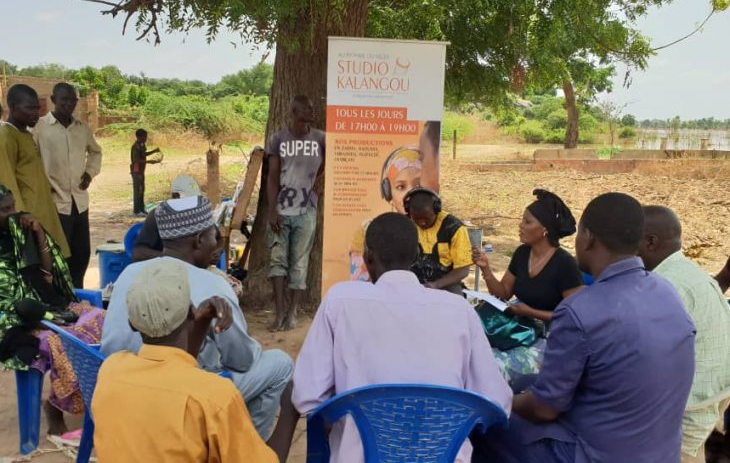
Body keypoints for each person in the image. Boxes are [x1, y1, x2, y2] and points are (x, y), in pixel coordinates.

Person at [472, 192, 696, 463]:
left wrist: (502, 400)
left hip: (594, 454)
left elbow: (545, 408)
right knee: (525, 382)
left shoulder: (580, 310)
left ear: (587, 238)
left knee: (484, 423)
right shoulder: (666, 291)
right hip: (659, 451)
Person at [292, 212, 512, 463]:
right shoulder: (459, 310)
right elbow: (498, 402)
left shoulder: (340, 301)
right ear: (416, 256)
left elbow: (307, 397)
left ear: (367, 257)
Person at [101, 195, 293, 440]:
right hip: (178, 401)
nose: (216, 247)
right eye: (214, 237)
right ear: (199, 240)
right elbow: (242, 360)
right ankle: (248, 447)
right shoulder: (213, 285)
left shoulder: (129, 274)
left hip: (121, 390)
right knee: (279, 363)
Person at [92, 259, 277, 463]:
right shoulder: (215, 396)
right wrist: (290, 415)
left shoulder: (110, 371)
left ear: (132, 324)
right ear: (191, 313)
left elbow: (177, 368)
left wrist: (203, 320)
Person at [0, 184, 105, 435]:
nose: (13, 213)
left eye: (12, 206)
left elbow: (47, 277)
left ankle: (100, 399)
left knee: (103, 321)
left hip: (44, 305)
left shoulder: (20, 232)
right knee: (61, 342)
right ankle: (54, 407)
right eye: (4, 210)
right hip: (12, 318)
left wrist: (38, 236)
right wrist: (33, 315)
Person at [638, 205, 730, 463]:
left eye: (628, 238)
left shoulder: (665, 285)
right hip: (708, 399)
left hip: (685, 414)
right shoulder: (688, 272)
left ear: (650, 242)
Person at [472, 189, 582, 383]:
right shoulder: (522, 253)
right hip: (518, 326)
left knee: (496, 369)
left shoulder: (564, 263)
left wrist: (531, 312)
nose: (520, 226)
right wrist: (486, 269)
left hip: (549, 337)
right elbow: (503, 293)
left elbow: (573, 317)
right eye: (522, 220)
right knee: (474, 351)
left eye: (527, 222)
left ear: (544, 229)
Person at [349, 121, 441, 282]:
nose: (410, 193)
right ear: (387, 191)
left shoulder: (443, 226)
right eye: (400, 186)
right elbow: (360, 284)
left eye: (418, 184)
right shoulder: (368, 230)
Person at [34, 82, 103, 288]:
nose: (68, 104)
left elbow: (96, 151)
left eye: (72, 100)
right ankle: (62, 296)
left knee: (81, 252)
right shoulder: (39, 128)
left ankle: (78, 293)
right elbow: (32, 160)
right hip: (56, 202)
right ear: (54, 100)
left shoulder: (81, 129)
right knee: (60, 255)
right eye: (64, 100)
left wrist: (89, 173)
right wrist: (44, 185)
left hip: (79, 202)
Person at [266, 95, 325, 331]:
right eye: (306, 109)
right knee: (277, 260)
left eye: (311, 108)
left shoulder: (321, 139)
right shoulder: (278, 139)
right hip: (281, 208)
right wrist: (272, 210)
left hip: (306, 209)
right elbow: (271, 177)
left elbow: (331, 167)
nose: (311, 111)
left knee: (300, 263)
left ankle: (292, 314)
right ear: (293, 111)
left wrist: (316, 188)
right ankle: (279, 312)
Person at [0, 84, 69, 258]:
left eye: (37, 108)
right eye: (29, 108)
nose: (35, 113)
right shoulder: (7, 137)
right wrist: (20, 218)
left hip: (44, 211)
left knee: (55, 264)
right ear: (13, 107)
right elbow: (7, 183)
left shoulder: (26, 134)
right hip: (28, 218)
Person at [404, 188, 471, 294]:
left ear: (436, 209)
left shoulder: (454, 228)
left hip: (446, 284)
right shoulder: (404, 226)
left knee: (455, 303)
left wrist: (435, 285)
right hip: (411, 283)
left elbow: (463, 270)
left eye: (427, 218)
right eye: (416, 219)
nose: (422, 223)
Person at [132, 174, 201, 261]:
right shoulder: (157, 216)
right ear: (175, 197)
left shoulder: (198, 215)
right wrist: (168, 258)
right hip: (164, 269)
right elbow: (138, 253)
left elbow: (217, 239)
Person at [130, 128, 161, 216]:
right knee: (138, 190)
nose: (146, 138)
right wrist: (149, 161)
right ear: (139, 137)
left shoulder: (142, 144)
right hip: (136, 171)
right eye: (144, 137)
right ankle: (137, 211)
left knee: (142, 189)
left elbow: (144, 154)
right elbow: (136, 160)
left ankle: (142, 209)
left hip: (141, 170)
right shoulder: (135, 146)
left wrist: (154, 151)